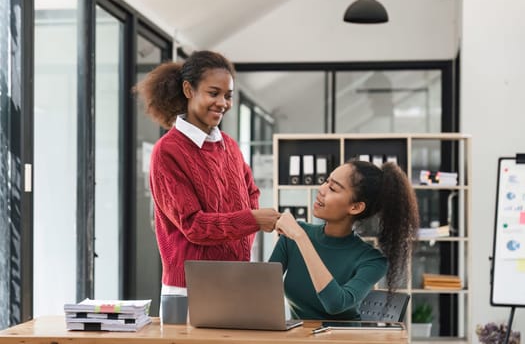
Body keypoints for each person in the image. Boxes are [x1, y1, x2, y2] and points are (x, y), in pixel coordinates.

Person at [134, 50, 280, 297]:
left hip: (237, 278)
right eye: (213, 93)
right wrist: (251, 220)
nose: (223, 103)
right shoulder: (167, 152)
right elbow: (193, 225)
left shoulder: (230, 146)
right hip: (190, 287)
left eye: (228, 96)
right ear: (189, 90)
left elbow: (251, 192)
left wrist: (246, 229)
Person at [269, 159, 419, 320]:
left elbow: (335, 303)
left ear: (355, 207)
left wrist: (301, 238)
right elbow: (262, 287)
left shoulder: (373, 260)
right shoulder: (292, 237)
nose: (321, 189)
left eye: (333, 188)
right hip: (299, 337)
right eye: (326, 181)